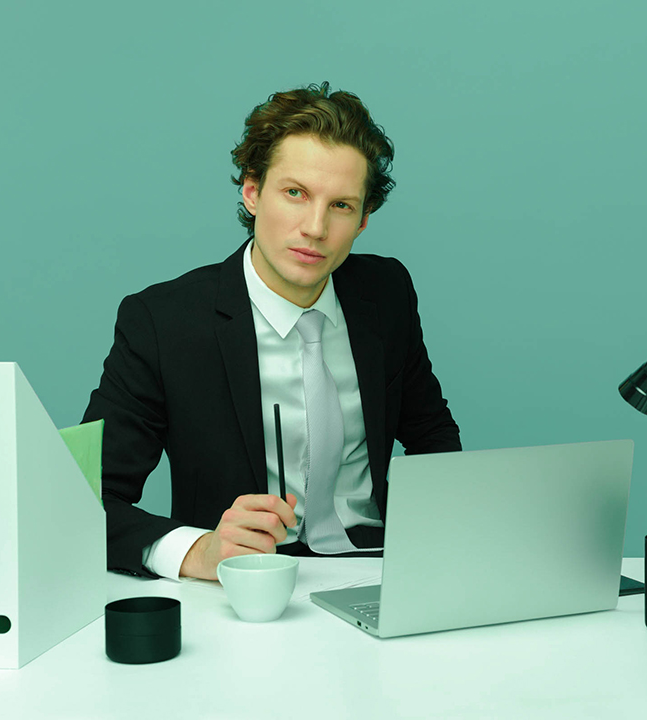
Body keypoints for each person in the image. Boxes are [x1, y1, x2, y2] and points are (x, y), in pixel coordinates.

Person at [82, 82, 460, 580]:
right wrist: (199, 552)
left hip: (380, 570)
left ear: (364, 220)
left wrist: (444, 542)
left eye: (342, 205)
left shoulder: (386, 292)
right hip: (241, 585)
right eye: (295, 193)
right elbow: (85, 502)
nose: (315, 228)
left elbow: (431, 434)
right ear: (253, 192)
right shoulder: (161, 322)